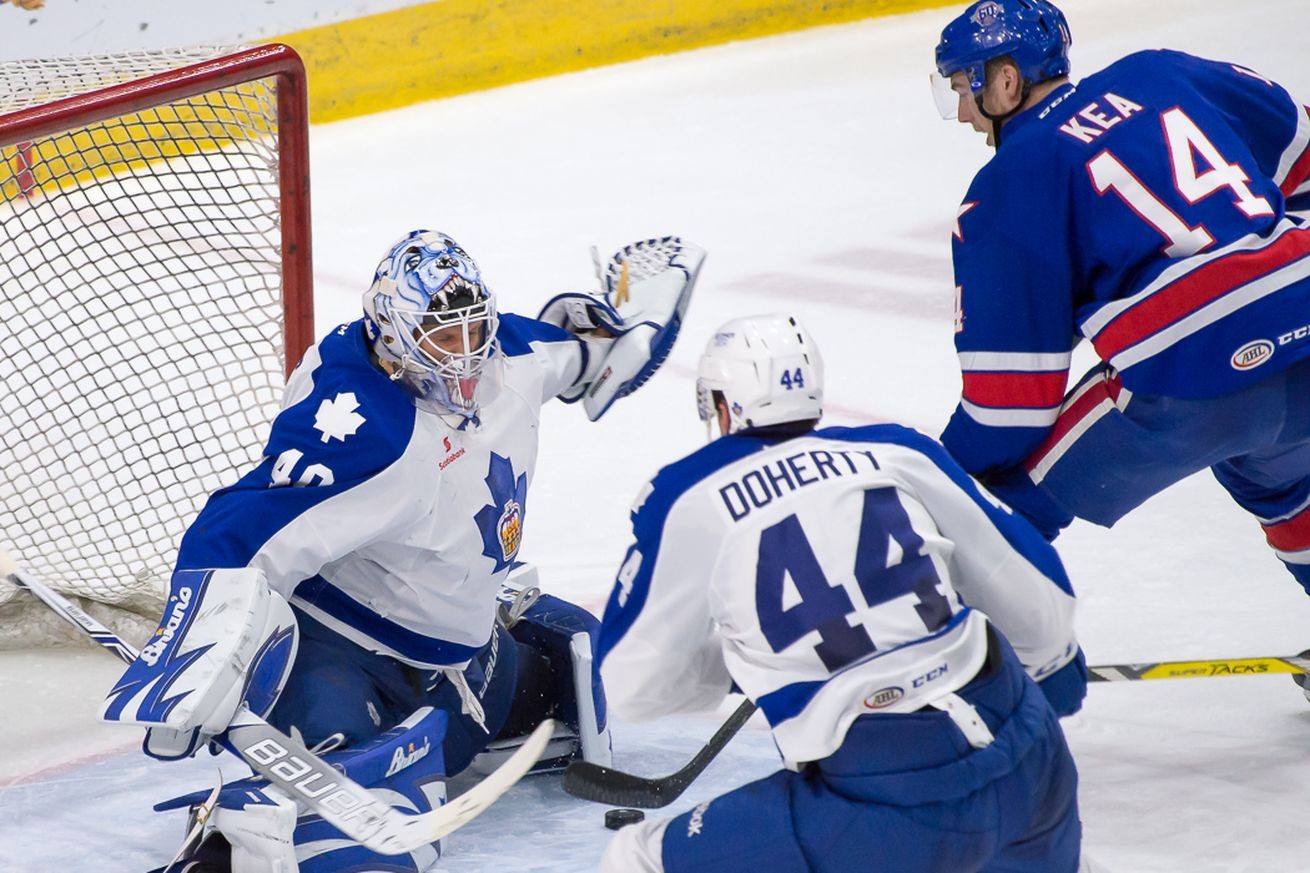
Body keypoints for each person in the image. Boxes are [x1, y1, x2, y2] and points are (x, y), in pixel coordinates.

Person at [98, 229, 705, 872]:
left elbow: (598, 358)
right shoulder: (368, 435)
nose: (467, 357)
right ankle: (224, 851)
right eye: (445, 340)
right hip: (338, 659)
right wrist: (194, 662)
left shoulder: (516, 354)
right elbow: (234, 536)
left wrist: (640, 313)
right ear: (392, 338)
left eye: (476, 331)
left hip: (467, 666)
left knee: (569, 674)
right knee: (355, 839)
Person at [596, 314, 1089, 873]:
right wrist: (1054, 670)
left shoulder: (689, 496)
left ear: (724, 405)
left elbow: (630, 683)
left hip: (882, 803)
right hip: (1032, 762)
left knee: (637, 859)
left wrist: (739, 669)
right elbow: (1042, 608)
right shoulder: (897, 451)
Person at [930, 0, 1310, 593]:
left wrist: (935, 475)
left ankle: (920, 663)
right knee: (1279, 478)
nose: (960, 114)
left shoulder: (1008, 185)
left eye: (961, 87)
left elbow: (1009, 409)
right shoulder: (1161, 73)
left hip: (1192, 380)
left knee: (987, 503)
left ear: (1003, 80)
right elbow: (1303, 153)